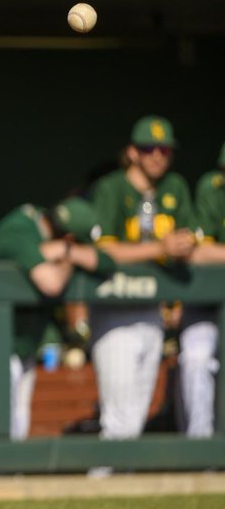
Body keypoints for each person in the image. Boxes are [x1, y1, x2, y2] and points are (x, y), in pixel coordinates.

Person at [89, 116, 199, 443]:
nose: (157, 156)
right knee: (118, 417)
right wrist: (160, 248)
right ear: (132, 152)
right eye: (148, 148)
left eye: (164, 150)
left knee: (135, 416)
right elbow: (103, 251)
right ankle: (103, 480)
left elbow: (191, 240)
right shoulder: (111, 188)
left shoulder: (174, 187)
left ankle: (118, 484)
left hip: (153, 310)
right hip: (115, 308)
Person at [0, 198, 114, 440]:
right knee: (3, 423)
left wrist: (66, 251)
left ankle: (12, 472)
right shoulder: (18, 229)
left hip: (23, 343)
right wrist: (67, 254)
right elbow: (52, 283)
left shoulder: (43, 225)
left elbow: (106, 262)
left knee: (18, 420)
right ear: (67, 236)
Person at [179, 141, 225, 437]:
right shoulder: (212, 189)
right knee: (195, 359)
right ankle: (200, 450)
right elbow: (195, 253)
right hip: (206, 304)